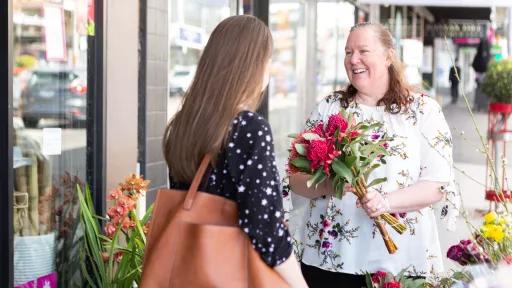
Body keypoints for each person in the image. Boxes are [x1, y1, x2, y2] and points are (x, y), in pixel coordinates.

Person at [283, 22, 459, 287]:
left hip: (401, 261)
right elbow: (295, 177)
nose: (353, 59)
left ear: (389, 56)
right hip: (330, 259)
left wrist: (385, 202)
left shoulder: (423, 111)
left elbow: (437, 186)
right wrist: (331, 184)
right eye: (348, 52)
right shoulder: (330, 108)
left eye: (363, 50)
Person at [163, 15, 308, 288]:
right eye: (267, 61)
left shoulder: (183, 124)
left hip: (190, 271)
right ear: (252, 66)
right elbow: (264, 229)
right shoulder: (249, 128)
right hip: (235, 273)